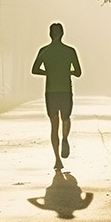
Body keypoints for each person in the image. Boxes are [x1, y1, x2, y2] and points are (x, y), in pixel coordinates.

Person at [32, 23, 81, 170]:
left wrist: (49, 72)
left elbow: (35, 69)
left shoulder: (44, 51)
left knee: (54, 126)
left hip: (51, 92)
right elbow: (78, 72)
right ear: (62, 34)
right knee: (65, 118)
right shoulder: (70, 51)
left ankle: (57, 160)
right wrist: (68, 72)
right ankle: (65, 138)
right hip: (66, 91)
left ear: (50, 34)